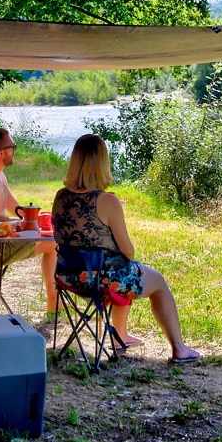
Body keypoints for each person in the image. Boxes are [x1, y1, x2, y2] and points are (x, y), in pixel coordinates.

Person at [51, 133, 201, 363]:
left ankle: (120, 333)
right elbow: (128, 250)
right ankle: (179, 348)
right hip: (100, 278)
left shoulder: (60, 197)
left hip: (68, 277)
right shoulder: (107, 201)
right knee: (156, 281)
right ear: (102, 163)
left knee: (122, 269)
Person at [0, 127, 57, 314]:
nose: (15, 150)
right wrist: (16, 223)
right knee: (54, 244)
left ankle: (55, 304)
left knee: (48, 235)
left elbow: (10, 203)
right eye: (12, 147)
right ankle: (54, 305)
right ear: (1, 153)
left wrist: (29, 216)